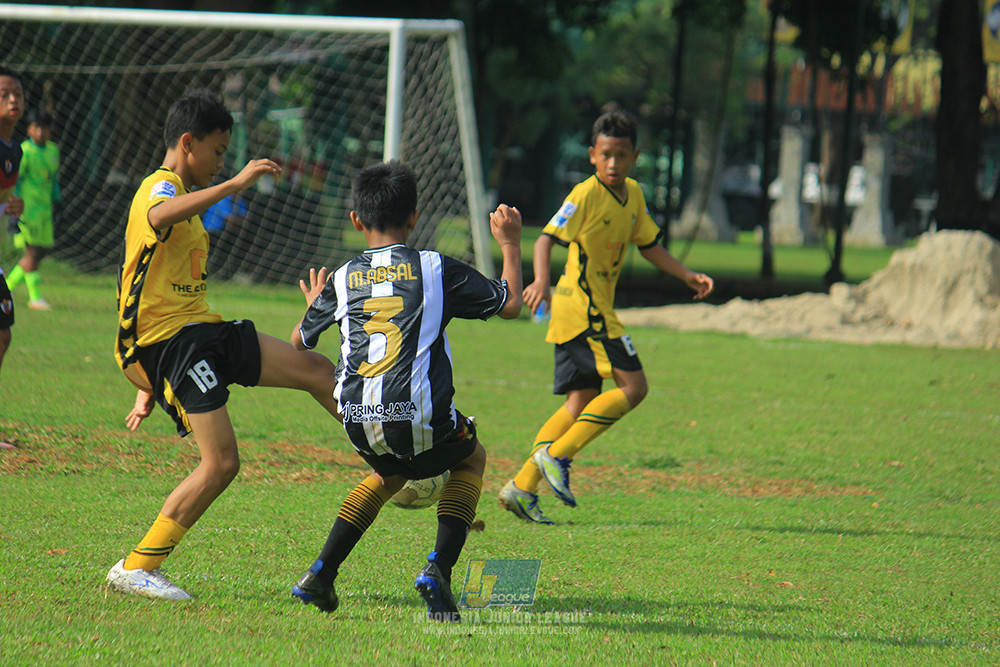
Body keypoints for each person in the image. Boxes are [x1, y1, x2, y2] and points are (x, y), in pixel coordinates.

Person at [105, 89, 341, 601]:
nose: (221, 163)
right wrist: (234, 185)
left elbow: (145, 278)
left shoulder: (184, 198)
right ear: (188, 142)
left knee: (318, 370)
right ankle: (137, 566)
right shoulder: (160, 186)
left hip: (199, 334)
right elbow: (159, 216)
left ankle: (389, 454)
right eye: (217, 151)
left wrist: (149, 381)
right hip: (174, 345)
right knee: (222, 463)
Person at [288, 161, 523, 622]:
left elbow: (299, 341)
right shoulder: (433, 267)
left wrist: (317, 305)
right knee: (471, 459)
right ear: (414, 216)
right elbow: (511, 303)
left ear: (356, 220)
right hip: (416, 412)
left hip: (356, 417)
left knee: (389, 474)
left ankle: (320, 573)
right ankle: (438, 571)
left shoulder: (341, 276)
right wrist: (510, 244)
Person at [498, 110, 714, 525]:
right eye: (606, 155)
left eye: (622, 155)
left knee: (579, 403)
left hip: (587, 311)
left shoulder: (633, 194)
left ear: (635, 157)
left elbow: (649, 245)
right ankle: (557, 456)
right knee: (634, 387)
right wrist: (541, 281)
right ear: (593, 155)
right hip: (584, 310)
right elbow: (545, 240)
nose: (613, 163)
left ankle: (522, 487)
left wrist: (686, 274)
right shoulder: (585, 194)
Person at [7, 108, 60, 310]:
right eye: (36, 128)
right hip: (27, 210)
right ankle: (35, 297)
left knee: (42, 250)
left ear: (49, 130)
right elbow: (15, 181)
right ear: (29, 129)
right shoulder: (24, 151)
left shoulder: (53, 151)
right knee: (33, 252)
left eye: (44, 128)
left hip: (44, 210)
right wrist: (14, 211)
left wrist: (58, 201)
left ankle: (7, 286)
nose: (40, 132)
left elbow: (54, 180)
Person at [0, 66, 25, 451]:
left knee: (2, 333)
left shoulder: (13, 150)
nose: (13, 100)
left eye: (18, 93)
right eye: (4, 93)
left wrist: (10, 208)